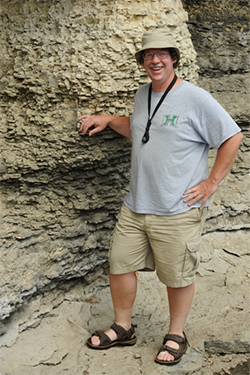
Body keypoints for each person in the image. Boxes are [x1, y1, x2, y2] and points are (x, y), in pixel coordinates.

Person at [78, 28, 242, 365]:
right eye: (148, 55)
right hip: (136, 205)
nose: (155, 60)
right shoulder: (142, 94)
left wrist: (211, 183)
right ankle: (124, 328)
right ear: (142, 62)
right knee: (120, 264)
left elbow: (231, 136)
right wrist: (109, 120)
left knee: (177, 276)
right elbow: (141, 125)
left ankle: (176, 334)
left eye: (161, 54)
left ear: (174, 58)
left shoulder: (196, 98)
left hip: (177, 207)